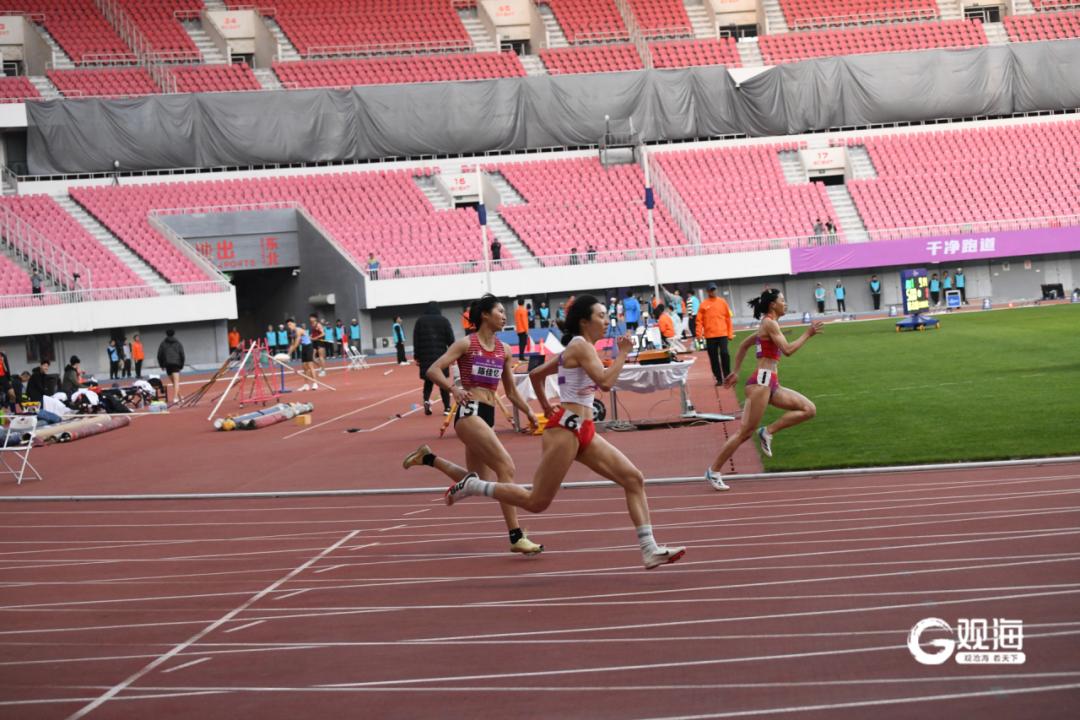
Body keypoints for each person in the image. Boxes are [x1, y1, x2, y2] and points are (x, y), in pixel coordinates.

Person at [436, 295, 685, 570]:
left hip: (584, 429)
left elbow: (536, 375)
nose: (606, 321)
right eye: (601, 316)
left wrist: (544, 407)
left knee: (633, 479)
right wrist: (623, 353)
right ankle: (473, 485)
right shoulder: (580, 346)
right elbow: (605, 382)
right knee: (536, 502)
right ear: (584, 321)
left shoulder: (576, 348)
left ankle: (649, 550)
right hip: (566, 430)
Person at [403, 294, 545, 556]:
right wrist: (453, 389)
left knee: (479, 481)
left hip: (487, 414)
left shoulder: (505, 350)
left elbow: (510, 392)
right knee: (506, 467)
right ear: (485, 315)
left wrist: (529, 412)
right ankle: (516, 536)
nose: (504, 316)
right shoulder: (467, 344)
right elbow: (433, 369)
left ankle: (429, 458)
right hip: (469, 413)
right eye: (500, 311)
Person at [706, 290, 823, 491]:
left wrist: (736, 372)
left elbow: (743, 346)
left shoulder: (767, 324)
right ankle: (713, 471)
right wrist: (808, 334)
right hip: (761, 384)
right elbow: (787, 350)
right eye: (782, 300)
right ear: (772, 305)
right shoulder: (769, 323)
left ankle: (767, 431)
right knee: (744, 433)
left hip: (771, 383)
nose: (785, 304)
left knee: (809, 409)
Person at [412, 301, 455, 416]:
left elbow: (416, 340)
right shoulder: (444, 320)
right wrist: (453, 355)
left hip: (425, 356)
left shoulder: (420, 321)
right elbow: (451, 339)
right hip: (441, 356)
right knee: (442, 381)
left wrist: (417, 356)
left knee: (428, 380)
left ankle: (426, 400)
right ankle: (447, 407)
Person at [696, 283, 734, 385]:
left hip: (722, 334)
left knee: (725, 354)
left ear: (716, 290)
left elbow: (728, 319)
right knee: (713, 358)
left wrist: (730, 333)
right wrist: (699, 334)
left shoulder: (722, 302)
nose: (713, 292)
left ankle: (727, 376)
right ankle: (718, 378)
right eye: (711, 290)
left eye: (714, 289)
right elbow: (699, 321)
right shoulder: (703, 304)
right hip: (710, 336)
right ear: (707, 292)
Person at [285, 318, 318, 391]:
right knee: (304, 367)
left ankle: (315, 383)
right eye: (288, 325)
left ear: (294, 324)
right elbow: (292, 344)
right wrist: (288, 353)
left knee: (310, 365)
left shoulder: (298, 330)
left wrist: (289, 354)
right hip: (303, 347)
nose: (289, 326)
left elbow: (296, 344)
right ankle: (306, 385)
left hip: (309, 347)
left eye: (290, 324)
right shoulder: (292, 332)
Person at [156, 329, 185, 404]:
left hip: (167, 364)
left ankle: (180, 397)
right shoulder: (178, 343)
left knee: (174, 382)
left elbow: (159, 355)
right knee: (176, 382)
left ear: (166, 334)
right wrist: (181, 365)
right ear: (174, 334)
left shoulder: (163, 343)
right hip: (176, 364)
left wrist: (161, 365)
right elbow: (182, 354)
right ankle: (175, 398)